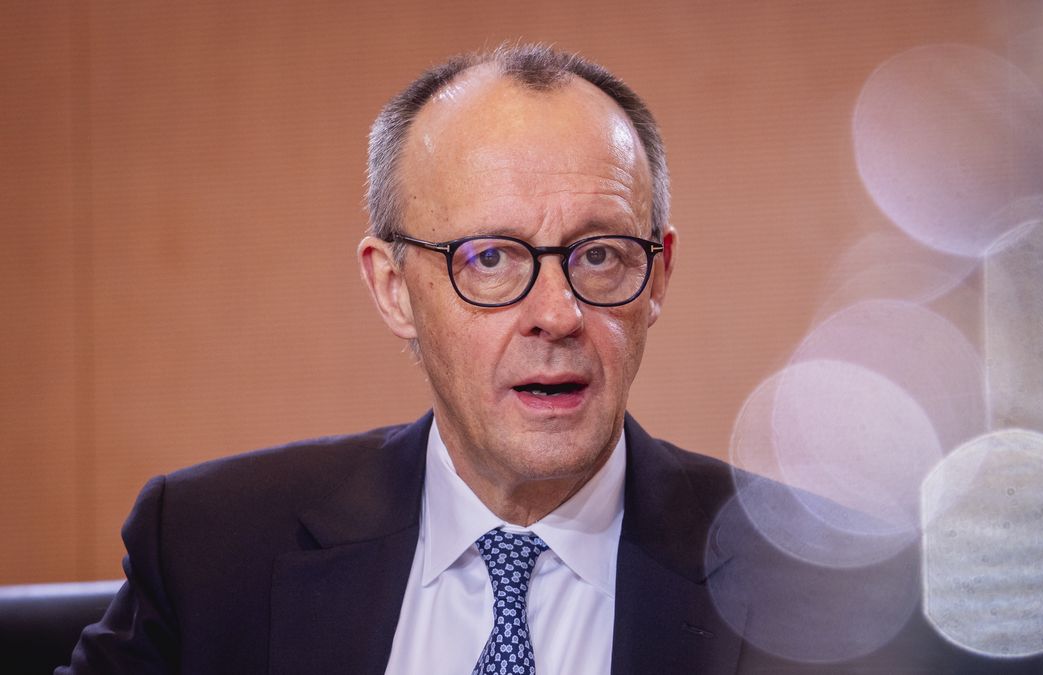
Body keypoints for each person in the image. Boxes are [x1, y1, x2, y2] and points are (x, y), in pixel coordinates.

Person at [59, 45, 950, 675]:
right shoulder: (212, 550)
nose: (557, 314)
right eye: (489, 259)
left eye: (600, 255)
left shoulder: (822, 597)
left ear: (658, 276)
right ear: (393, 289)